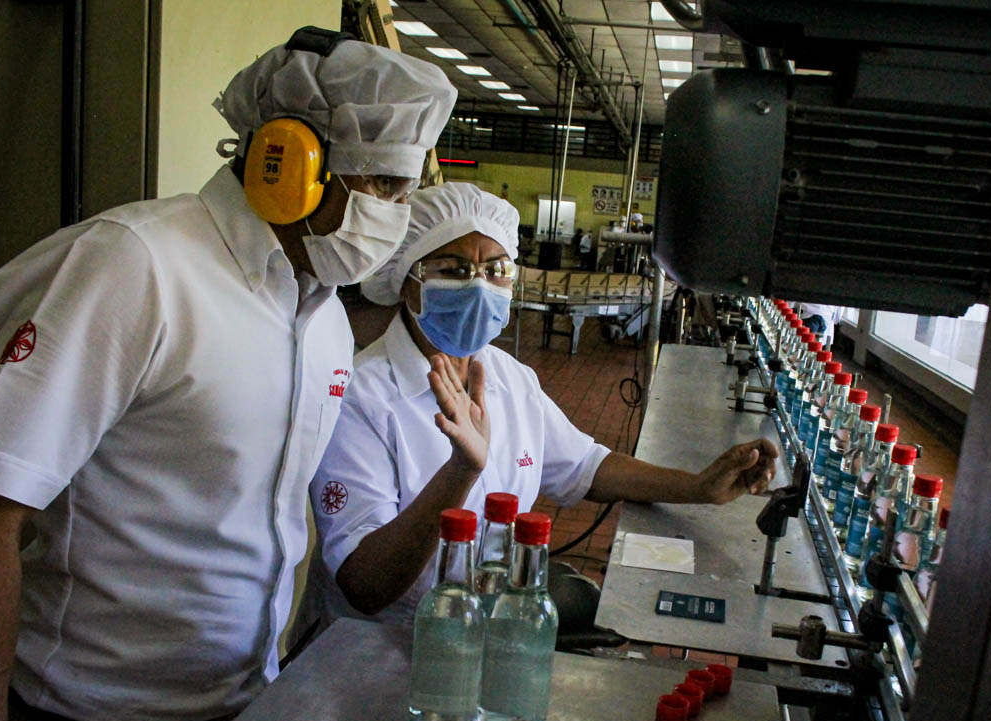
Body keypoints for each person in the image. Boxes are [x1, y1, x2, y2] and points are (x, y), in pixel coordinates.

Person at [0, 27, 455, 721]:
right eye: (381, 184)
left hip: (242, 720)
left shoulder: (323, 321)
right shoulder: (136, 268)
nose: (396, 213)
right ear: (287, 159)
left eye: (405, 189)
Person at [295, 182, 780, 627]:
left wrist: (698, 487)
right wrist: (461, 471)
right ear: (405, 281)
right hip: (379, 648)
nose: (479, 286)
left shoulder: (509, 378)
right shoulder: (361, 397)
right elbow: (364, 585)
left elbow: (588, 467)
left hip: (480, 631)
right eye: (454, 269)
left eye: (496, 269)